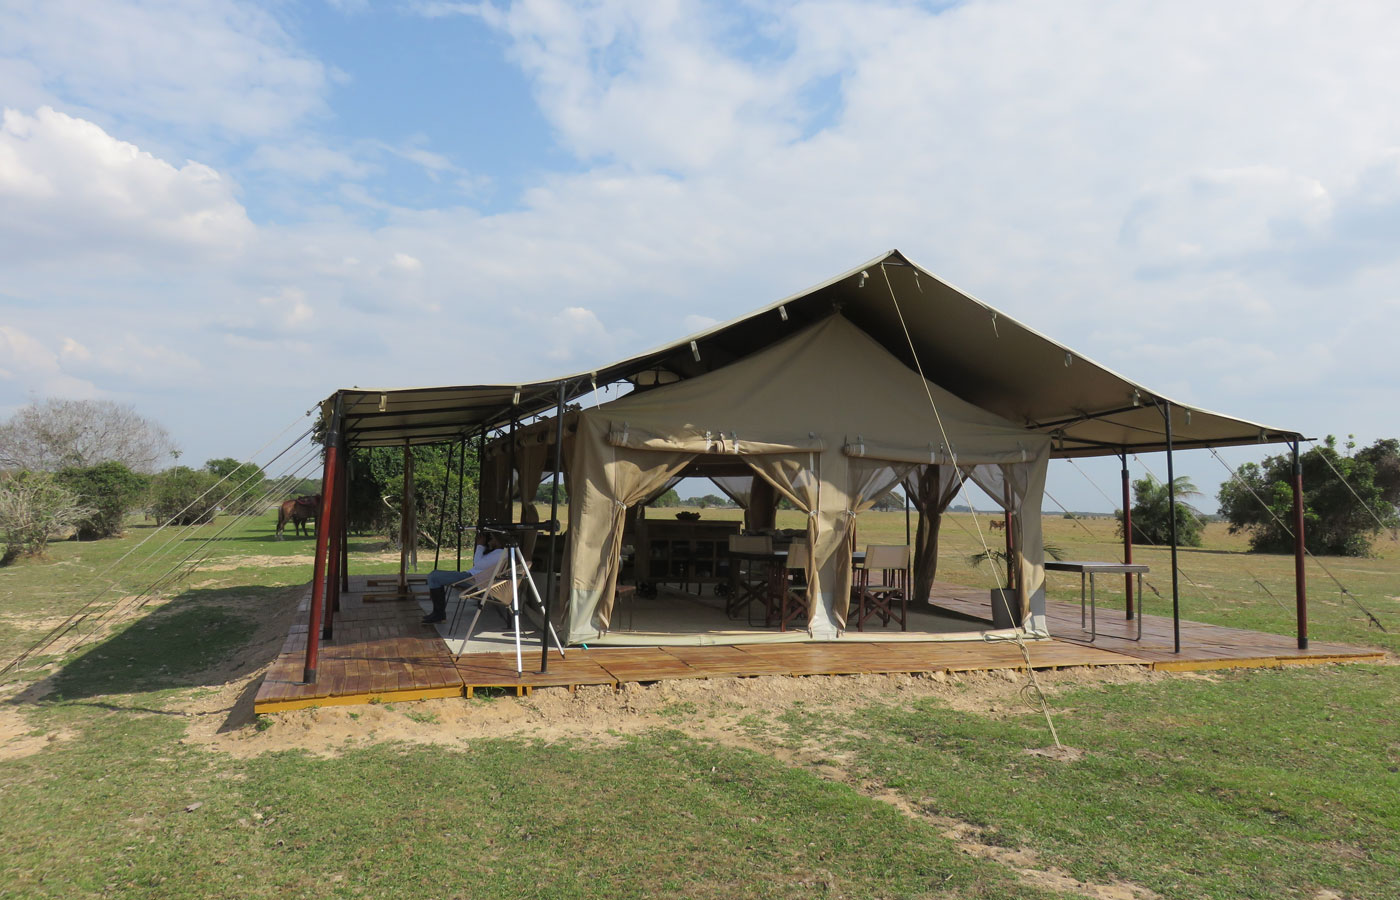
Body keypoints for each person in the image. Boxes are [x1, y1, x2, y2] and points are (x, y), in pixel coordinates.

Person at [421, 531, 509, 625]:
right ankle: (438, 614)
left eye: (491, 538)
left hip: (474, 580)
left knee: (433, 576)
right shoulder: (497, 552)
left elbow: (477, 563)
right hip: (471, 577)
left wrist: (480, 546)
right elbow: (479, 565)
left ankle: (438, 615)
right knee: (434, 575)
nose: (489, 541)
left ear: (499, 540)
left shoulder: (500, 553)